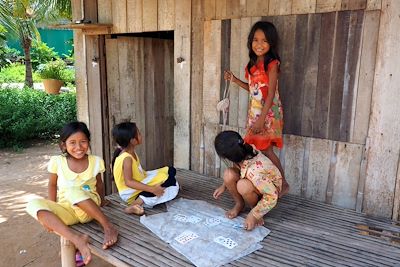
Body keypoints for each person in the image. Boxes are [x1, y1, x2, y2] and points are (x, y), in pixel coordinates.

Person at [26, 121, 118, 265]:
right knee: (32, 204)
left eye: (83, 142)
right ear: (64, 145)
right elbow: (52, 184)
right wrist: (51, 208)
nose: (78, 147)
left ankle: (108, 226)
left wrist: (102, 201)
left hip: (88, 209)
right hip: (68, 210)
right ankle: (77, 240)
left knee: (72, 191)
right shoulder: (57, 161)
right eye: (72, 143)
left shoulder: (95, 161)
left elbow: (99, 184)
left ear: (88, 142)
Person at [223, 21, 289, 196]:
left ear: (271, 43)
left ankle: (283, 183)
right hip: (255, 112)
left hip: (269, 113)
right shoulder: (251, 64)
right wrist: (235, 80)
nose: (259, 44)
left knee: (267, 149)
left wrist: (261, 119)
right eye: (256, 40)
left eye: (264, 41)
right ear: (250, 42)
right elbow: (254, 90)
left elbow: (271, 93)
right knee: (253, 148)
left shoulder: (272, 64)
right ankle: (259, 184)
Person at [213, 130, 282, 231]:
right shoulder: (241, 149)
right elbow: (238, 169)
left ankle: (255, 209)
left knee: (243, 185)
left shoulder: (255, 172)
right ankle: (239, 204)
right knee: (228, 174)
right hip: (256, 180)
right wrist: (224, 185)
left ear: (228, 157)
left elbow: (272, 196)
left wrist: (254, 215)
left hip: (268, 190)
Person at [111, 122, 179, 215]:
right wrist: (152, 189)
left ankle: (167, 185)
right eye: (138, 133)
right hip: (129, 191)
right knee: (167, 180)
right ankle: (134, 204)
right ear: (132, 141)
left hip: (141, 179)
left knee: (169, 170)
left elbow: (139, 173)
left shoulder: (131, 152)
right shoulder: (126, 158)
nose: (141, 135)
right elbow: (129, 182)